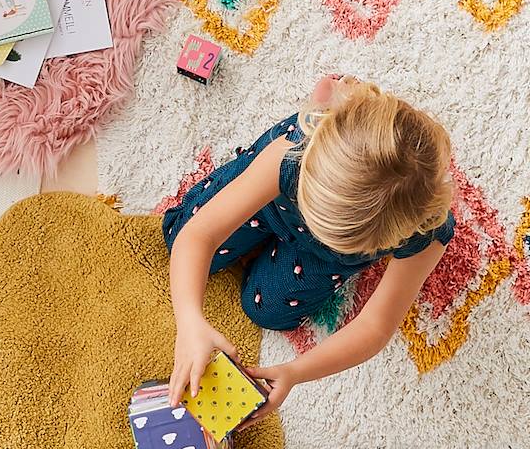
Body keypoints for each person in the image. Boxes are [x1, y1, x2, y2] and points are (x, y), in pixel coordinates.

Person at [164, 75, 455, 416]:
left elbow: (375, 327)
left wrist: (293, 372)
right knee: (178, 237)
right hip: (275, 196)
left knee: (268, 311)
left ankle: (333, 102)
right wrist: (189, 322)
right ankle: (328, 101)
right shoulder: (291, 153)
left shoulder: (426, 233)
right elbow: (198, 235)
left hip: (325, 253)